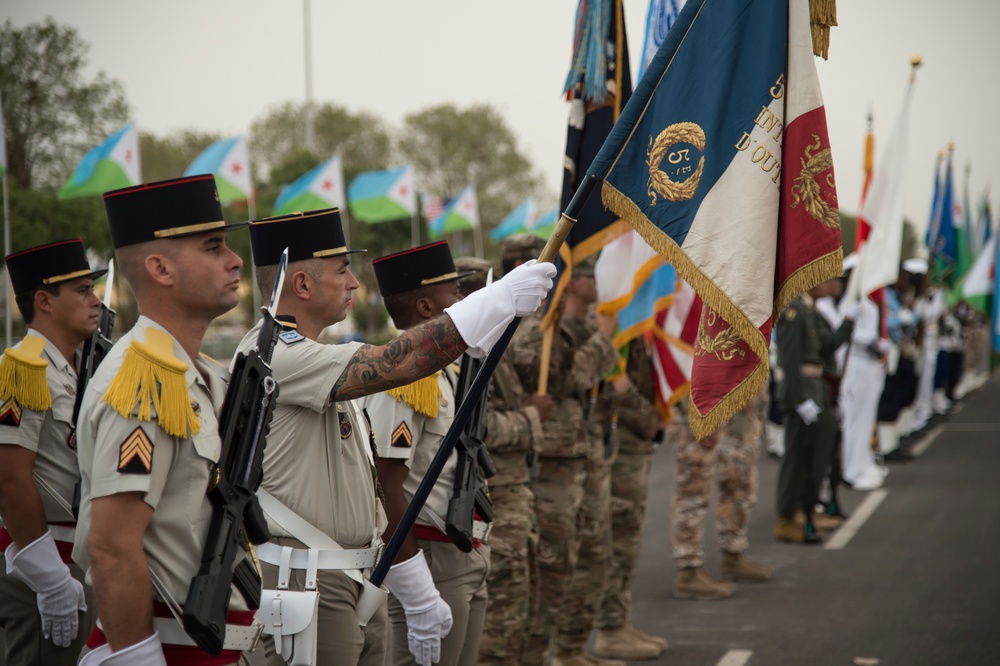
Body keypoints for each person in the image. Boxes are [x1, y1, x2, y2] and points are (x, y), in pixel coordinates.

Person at [240, 219, 555, 666]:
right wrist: (495, 300)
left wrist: (410, 583)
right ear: (303, 283)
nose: (353, 282)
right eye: (342, 270)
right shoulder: (277, 353)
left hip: (351, 574)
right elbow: (399, 360)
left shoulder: (305, 354)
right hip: (310, 579)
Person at [73, 174, 260, 665]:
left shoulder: (196, 375)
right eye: (214, 247)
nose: (235, 259)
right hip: (173, 650)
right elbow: (111, 545)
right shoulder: (145, 382)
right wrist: (137, 657)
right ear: (160, 268)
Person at [360, 242, 499, 666]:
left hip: (466, 547)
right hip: (434, 552)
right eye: (453, 292)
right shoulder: (408, 379)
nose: (462, 299)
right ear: (425, 306)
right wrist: (415, 576)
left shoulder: (449, 370)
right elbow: (386, 482)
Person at [513, 255, 622, 666]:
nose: (601, 282)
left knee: (578, 555)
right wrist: (601, 341)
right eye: (593, 273)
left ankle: (566, 649)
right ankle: (544, 653)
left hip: (574, 455)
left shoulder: (566, 328)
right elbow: (566, 380)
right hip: (550, 460)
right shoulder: (539, 329)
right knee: (552, 563)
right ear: (572, 281)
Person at [0, 239, 104, 665]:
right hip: (45, 563)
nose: (95, 300)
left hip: (78, 557)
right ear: (44, 300)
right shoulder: (23, 369)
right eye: (81, 290)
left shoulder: (81, 368)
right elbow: (8, 480)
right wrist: (50, 580)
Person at [455, 251, 555, 666]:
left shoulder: (491, 345)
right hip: (491, 496)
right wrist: (531, 417)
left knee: (523, 605)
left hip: (514, 496)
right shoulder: (465, 352)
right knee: (499, 620)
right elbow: (475, 429)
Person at [592, 337, 668, 661]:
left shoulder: (638, 321)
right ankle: (610, 629)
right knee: (618, 540)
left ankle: (618, 622)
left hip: (634, 444)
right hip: (621, 441)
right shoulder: (618, 316)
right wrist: (649, 419)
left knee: (628, 539)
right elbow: (615, 382)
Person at [670, 391, 773, 600]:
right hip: (701, 398)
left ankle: (732, 552)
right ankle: (688, 570)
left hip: (737, 405)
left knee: (738, 481)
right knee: (694, 488)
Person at [774, 283, 854, 544]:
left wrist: (848, 323)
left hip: (815, 390)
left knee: (813, 460)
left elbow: (825, 345)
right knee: (797, 459)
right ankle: (787, 517)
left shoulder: (810, 311)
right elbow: (789, 360)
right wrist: (799, 400)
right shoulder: (794, 311)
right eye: (824, 277)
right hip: (803, 393)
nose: (831, 282)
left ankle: (804, 511)